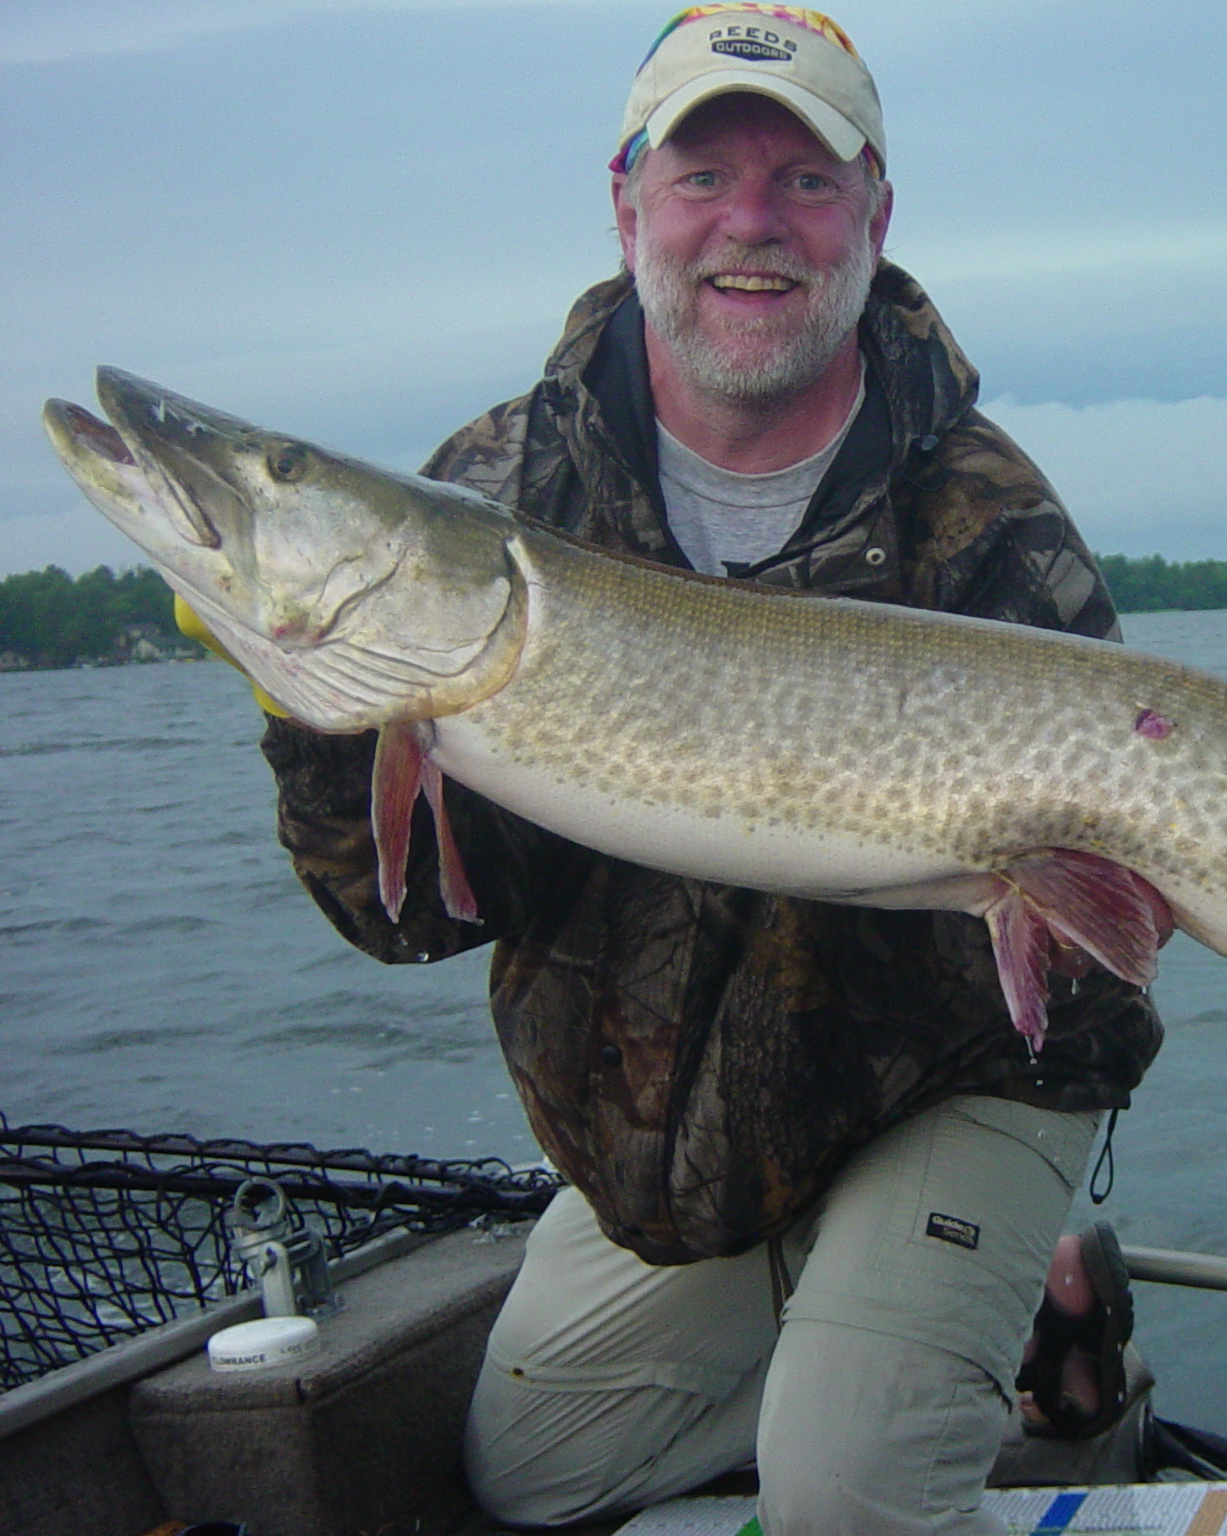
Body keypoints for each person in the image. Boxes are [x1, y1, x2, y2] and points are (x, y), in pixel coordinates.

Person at [251, 6, 1161, 1531]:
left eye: (807, 182)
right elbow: (410, 919)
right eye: (704, 176)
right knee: (535, 1476)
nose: (753, 224)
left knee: (842, 1497)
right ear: (627, 205)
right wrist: (325, 705)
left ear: (875, 216)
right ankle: (911, 1318)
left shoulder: (987, 515)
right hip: (697, 1133)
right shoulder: (494, 496)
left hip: (956, 1072)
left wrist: (1097, 893)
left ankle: (944, 1315)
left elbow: (1101, 964)